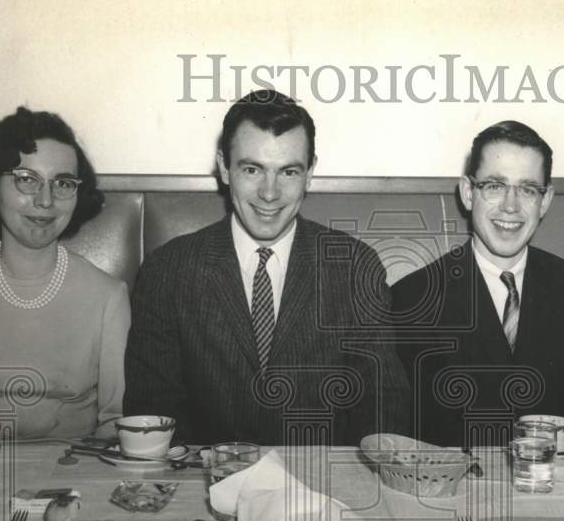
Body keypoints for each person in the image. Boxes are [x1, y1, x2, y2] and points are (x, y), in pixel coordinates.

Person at [123, 90, 409, 445]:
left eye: (288, 171)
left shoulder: (354, 268)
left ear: (309, 173)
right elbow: (153, 418)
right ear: (224, 167)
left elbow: (383, 409)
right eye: (252, 169)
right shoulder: (168, 271)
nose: (269, 193)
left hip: (321, 478)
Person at [391, 121, 564, 449]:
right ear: (468, 193)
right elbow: (410, 439)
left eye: (528, 189)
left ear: (545, 200)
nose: (510, 206)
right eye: (495, 186)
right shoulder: (413, 299)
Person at [0, 107, 130, 445]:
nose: (45, 200)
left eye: (63, 183)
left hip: (72, 472)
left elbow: (115, 424)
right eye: (26, 179)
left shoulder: (109, 298)